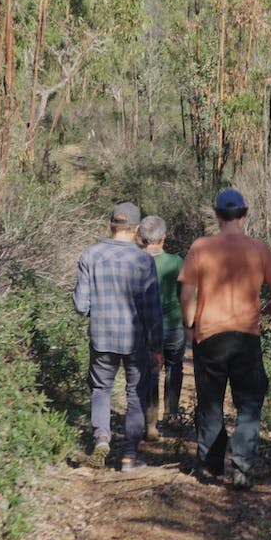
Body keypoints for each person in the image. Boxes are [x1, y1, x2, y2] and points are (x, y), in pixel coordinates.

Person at [178, 189, 271, 489]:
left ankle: (213, 464)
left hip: (209, 336)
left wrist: (189, 324)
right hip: (246, 337)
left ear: (216, 214)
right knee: (250, 401)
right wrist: (270, 309)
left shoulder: (200, 248)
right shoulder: (259, 249)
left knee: (211, 401)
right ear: (245, 214)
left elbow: (187, 293)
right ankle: (242, 463)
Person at [74, 201, 163, 471]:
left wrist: (99, 310)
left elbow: (80, 305)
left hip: (102, 337)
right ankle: (129, 457)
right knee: (136, 394)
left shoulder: (89, 255)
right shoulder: (144, 260)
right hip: (135, 340)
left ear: (111, 225)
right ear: (136, 229)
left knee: (101, 389)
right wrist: (157, 346)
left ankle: (101, 438)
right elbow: (152, 310)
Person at [137, 215, 188, 438]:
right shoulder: (176, 262)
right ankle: (172, 414)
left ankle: (150, 423)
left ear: (141, 237)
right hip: (174, 325)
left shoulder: (136, 261)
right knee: (174, 367)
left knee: (151, 371)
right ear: (164, 237)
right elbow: (185, 295)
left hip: (146, 327)